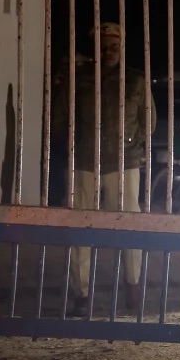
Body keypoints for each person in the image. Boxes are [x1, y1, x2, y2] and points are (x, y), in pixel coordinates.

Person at [69, 22, 156, 317]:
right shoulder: (80, 79)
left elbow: (150, 122)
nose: (109, 52)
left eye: (114, 46)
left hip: (124, 163)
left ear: (122, 48)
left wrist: (133, 148)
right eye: (103, 47)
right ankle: (82, 293)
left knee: (129, 225)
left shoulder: (135, 80)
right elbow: (62, 120)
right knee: (82, 227)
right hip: (85, 161)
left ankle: (132, 284)